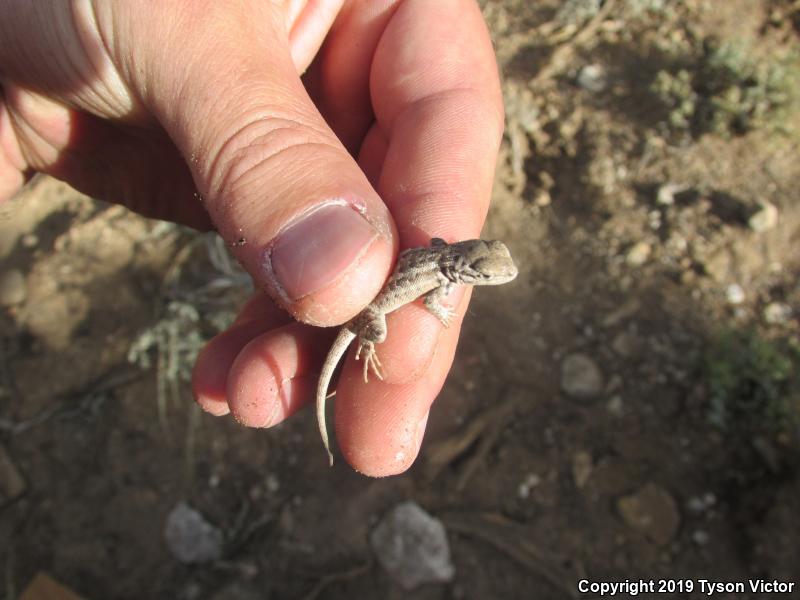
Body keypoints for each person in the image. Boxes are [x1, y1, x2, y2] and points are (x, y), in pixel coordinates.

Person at [0, 0, 503, 476]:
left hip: (379, 284)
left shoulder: (443, 257)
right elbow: (435, 292)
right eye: (486, 269)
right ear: (466, 266)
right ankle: (367, 345)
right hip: (367, 306)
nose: (492, 273)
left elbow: (437, 251)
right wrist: (393, 324)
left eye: (487, 267)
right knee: (379, 339)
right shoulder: (442, 272)